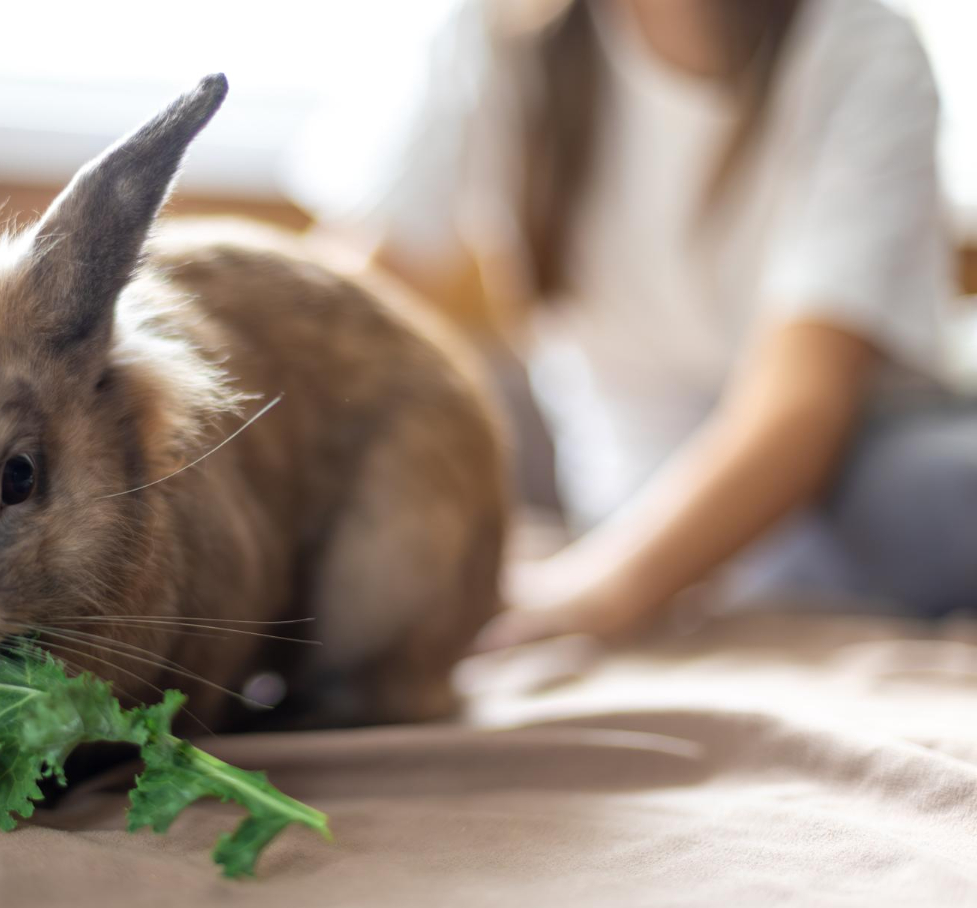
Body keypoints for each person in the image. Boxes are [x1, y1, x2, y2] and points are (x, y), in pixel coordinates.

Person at [292, 0, 977, 647]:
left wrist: (601, 589)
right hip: (625, 485)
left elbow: (802, 405)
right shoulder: (492, 32)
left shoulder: (861, 44)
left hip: (843, 471)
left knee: (933, 490)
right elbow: (352, 309)